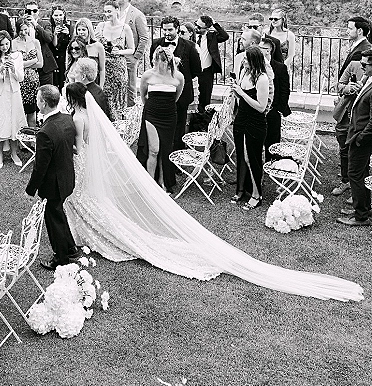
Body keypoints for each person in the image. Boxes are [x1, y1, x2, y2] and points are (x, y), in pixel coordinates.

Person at [61, 90, 362, 302]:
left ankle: (89, 233)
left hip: (80, 162)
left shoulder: (77, 118)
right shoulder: (87, 115)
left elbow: (78, 146)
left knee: (82, 199)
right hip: (85, 163)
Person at [25, 84, 79, 270]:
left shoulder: (45, 133)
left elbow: (40, 167)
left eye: (38, 99)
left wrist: (30, 190)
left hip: (53, 185)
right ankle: (71, 248)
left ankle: (61, 258)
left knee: (53, 220)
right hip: (67, 178)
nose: (36, 102)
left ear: (44, 103)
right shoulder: (67, 119)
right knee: (58, 213)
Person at [150, 16, 202, 151]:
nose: (167, 33)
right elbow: (152, 65)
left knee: (179, 126)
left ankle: (177, 153)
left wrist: (180, 76)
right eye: (164, 30)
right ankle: (162, 152)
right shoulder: (156, 44)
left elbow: (196, 70)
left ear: (177, 29)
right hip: (161, 93)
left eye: (170, 30)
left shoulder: (190, 46)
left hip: (182, 94)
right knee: (162, 125)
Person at [137, 47, 184, 191]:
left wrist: (166, 106)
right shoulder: (147, 75)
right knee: (154, 150)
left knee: (165, 150)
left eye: (164, 61)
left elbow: (176, 97)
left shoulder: (178, 77)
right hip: (151, 115)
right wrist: (151, 108)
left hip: (169, 116)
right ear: (154, 60)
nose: (161, 64)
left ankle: (162, 182)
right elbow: (143, 95)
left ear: (169, 61)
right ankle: (150, 184)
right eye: (158, 61)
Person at [230, 46, 269, 210]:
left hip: (255, 122)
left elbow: (261, 107)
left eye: (246, 58)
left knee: (251, 157)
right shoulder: (244, 73)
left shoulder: (262, 79)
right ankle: (242, 189)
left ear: (254, 60)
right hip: (241, 119)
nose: (243, 60)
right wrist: (236, 91)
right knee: (240, 155)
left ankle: (256, 194)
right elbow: (241, 99)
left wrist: (242, 93)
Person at [337, 50, 372, 226]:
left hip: (362, 138)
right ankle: (364, 207)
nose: (361, 67)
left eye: (365, 64)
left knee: (354, 174)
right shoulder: (367, 80)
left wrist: (360, 138)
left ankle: (361, 216)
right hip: (358, 135)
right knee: (362, 173)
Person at [0, 30, 26, 168]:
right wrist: (1, 69)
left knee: (14, 122)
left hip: (13, 93)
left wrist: (13, 69)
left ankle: (14, 153)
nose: (5, 47)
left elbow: (21, 78)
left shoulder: (17, 56)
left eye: (7, 44)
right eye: (2, 45)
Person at [332, 56, 366, 197]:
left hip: (361, 119)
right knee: (343, 150)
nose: (364, 65)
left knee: (360, 154)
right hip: (345, 116)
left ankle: (358, 188)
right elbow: (339, 86)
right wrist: (348, 88)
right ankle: (345, 181)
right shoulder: (354, 65)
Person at [95, 0, 134, 121]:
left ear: (117, 10)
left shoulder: (125, 28)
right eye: (105, 11)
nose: (107, 14)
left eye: (109, 11)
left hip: (118, 68)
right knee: (104, 96)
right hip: (103, 67)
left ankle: (118, 124)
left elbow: (131, 49)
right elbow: (94, 44)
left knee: (118, 97)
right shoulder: (101, 26)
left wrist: (120, 52)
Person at [114, 0, 149, 107]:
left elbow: (144, 38)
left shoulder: (137, 15)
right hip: (115, 55)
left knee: (130, 87)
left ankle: (130, 111)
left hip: (129, 56)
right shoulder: (115, 12)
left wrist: (136, 57)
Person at [259, 38, 291, 159]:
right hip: (258, 108)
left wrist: (278, 109)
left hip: (273, 109)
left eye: (260, 48)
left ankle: (271, 162)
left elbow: (284, 90)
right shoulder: (255, 66)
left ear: (268, 50)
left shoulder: (280, 68)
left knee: (272, 141)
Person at [13, 17, 43, 128]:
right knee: (19, 113)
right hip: (19, 81)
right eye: (21, 30)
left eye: (25, 29)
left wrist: (24, 64)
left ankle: (32, 136)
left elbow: (40, 64)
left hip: (33, 81)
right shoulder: (13, 43)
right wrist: (33, 61)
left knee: (32, 113)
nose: (23, 32)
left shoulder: (35, 42)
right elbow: (16, 64)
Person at [24, 0, 57, 85]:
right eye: (28, 11)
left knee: (47, 91)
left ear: (38, 12)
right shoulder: (22, 25)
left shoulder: (45, 23)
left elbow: (48, 38)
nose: (32, 13)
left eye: (34, 11)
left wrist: (35, 24)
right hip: (29, 65)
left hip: (45, 65)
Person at [72, 17, 106, 89]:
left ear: (89, 30)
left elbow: (102, 69)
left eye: (83, 30)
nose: (81, 32)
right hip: (78, 83)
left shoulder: (98, 46)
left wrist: (101, 87)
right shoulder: (74, 46)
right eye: (79, 30)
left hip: (94, 83)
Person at [49, 6, 73, 91]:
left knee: (64, 82)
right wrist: (55, 34)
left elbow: (73, 44)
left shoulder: (70, 27)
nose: (58, 17)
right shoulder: (49, 27)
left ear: (64, 16)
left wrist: (68, 35)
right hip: (53, 59)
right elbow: (54, 45)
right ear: (52, 16)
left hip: (64, 59)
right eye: (56, 15)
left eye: (60, 15)